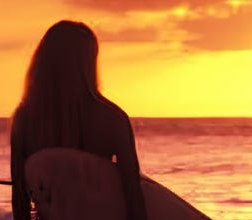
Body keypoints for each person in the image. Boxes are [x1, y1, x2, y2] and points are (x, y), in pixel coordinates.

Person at [9, 20, 148, 220]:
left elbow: (20, 200)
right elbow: (133, 197)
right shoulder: (112, 118)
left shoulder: (25, 119)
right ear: (89, 62)